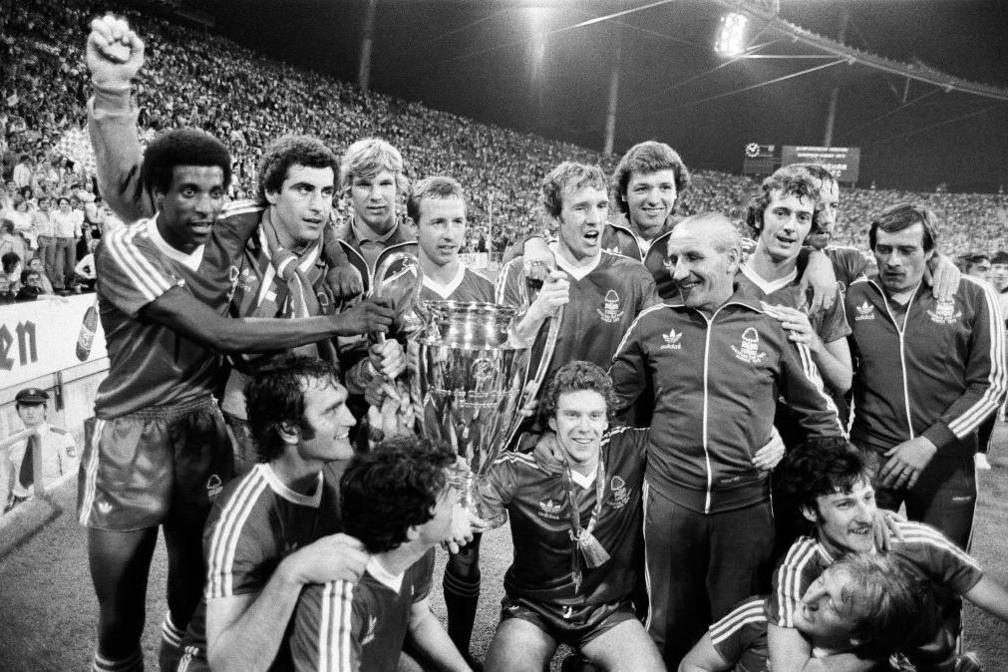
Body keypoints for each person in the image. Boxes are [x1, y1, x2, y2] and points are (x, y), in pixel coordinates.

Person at [80, 17, 397, 672]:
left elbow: (307, 211)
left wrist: (335, 246)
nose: (203, 205)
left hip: (203, 424)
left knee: (197, 580)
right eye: (188, 192)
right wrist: (113, 90)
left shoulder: (250, 224)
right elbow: (221, 330)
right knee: (119, 611)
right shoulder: (135, 247)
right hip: (130, 432)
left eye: (212, 192)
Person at [609, 212, 843, 666]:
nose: (678, 270)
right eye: (674, 258)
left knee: (738, 631)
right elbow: (609, 400)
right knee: (666, 627)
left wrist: (836, 489)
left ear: (733, 259)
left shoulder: (773, 324)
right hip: (670, 503)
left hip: (747, 506)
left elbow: (821, 417)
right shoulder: (653, 323)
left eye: (693, 257)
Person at [176, 356, 369, 672]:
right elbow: (228, 664)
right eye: (332, 410)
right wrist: (293, 572)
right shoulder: (238, 518)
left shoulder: (335, 466)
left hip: (289, 638)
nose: (349, 419)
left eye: (344, 404)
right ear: (290, 429)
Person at [477, 361, 664, 672]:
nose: (584, 427)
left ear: (607, 420)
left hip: (607, 611)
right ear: (552, 419)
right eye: (571, 415)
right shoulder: (517, 469)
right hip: (534, 609)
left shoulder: (629, 448)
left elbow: (689, 434)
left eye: (594, 416)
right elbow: (466, 507)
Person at [844, 204, 1006, 550]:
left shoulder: (974, 296)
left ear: (931, 251)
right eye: (883, 249)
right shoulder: (856, 296)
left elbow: (991, 386)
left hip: (945, 462)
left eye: (906, 250)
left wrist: (929, 442)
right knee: (861, 571)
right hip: (871, 457)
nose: (893, 261)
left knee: (940, 581)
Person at [768, 439, 1008, 672]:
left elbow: (980, 587)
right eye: (844, 504)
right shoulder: (797, 568)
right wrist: (893, 638)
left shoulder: (912, 541)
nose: (866, 516)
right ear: (810, 511)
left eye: (868, 498)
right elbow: (787, 668)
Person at [289, 436, 472, 672]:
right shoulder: (338, 601)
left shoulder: (416, 552)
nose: (457, 502)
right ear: (414, 527)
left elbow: (420, 619)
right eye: (448, 497)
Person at [496, 161, 660, 383]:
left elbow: (654, 360)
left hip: (605, 415)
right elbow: (495, 361)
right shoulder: (519, 272)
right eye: (581, 208)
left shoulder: (635, 277)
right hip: (536, 416)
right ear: (556, 216)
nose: (595, 219)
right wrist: (536, 314)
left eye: (601, 206)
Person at [679, 553, 924, 672]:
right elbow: (692, 666)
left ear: (859, 636)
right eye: (820, 582)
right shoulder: (756, 617)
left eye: (833, 605)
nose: (809, 599)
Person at [1, 388, 77, 512]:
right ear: (18, 411)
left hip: (49, 502)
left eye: (36, 407)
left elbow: (70, 477)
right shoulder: (12, 440)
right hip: (19, 503)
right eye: (25, 407)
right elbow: (7, 479)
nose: (30, 412)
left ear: (45, 409)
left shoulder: (61, 438)